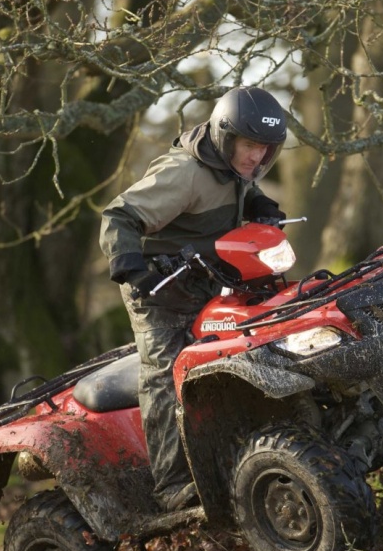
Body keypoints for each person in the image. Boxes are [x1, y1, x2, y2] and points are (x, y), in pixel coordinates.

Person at [99, 87, 288, 512]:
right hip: (158, 292)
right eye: (251, 145)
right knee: (166, 376)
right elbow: (118, 217)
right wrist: (132, 269)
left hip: (205, 281)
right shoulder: (183, 172)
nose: (258, 156)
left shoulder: (235, 164)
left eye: (266, 148)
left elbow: (235, 191)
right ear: (225, 137)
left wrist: (259, 204)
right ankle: (172, 486)